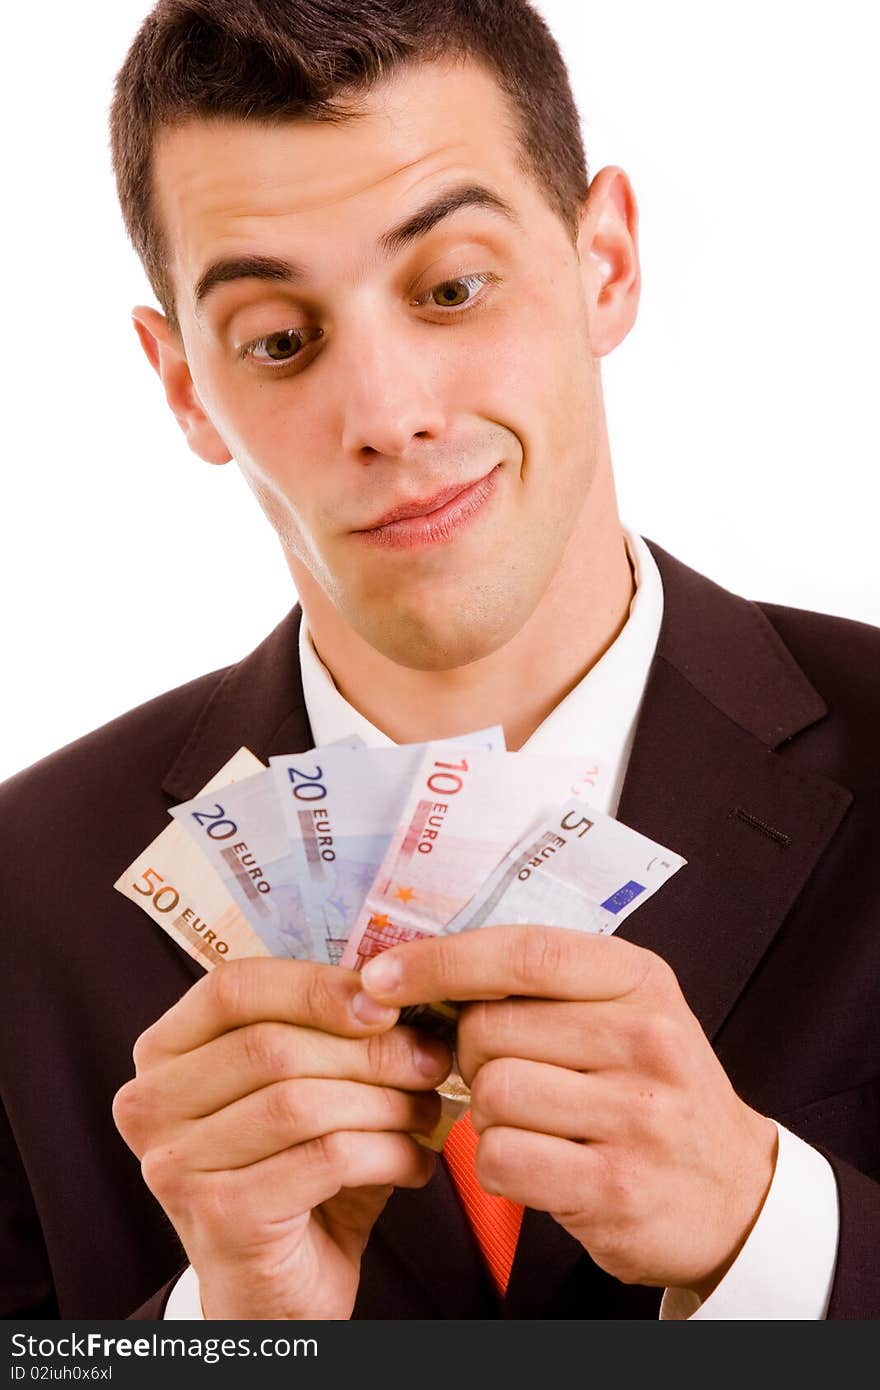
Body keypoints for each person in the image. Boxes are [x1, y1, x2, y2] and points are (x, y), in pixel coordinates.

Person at [0, 0, 877, 1322]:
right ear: (183, 383)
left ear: (607, 262)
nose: (389, 412)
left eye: (454, 286)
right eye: (281, 340)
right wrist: (226, 1336)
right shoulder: (23, 905)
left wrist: (773, 1236)